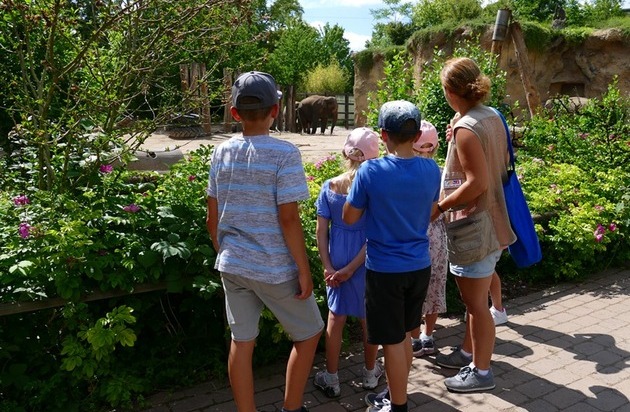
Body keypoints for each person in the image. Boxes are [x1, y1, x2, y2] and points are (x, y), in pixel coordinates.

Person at [206, 71, 324, 412]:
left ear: (234, 113)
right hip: (274, 268)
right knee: (309, 333)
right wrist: (304, 269)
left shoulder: (220, 153)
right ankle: (291, 407)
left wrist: (225, 252)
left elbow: (211, 218)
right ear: (276, 109)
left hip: (232, 264)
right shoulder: (284, 154)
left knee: (241, 342)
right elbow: (288, 219)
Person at [343, 100, 441, 412]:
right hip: (419, 266)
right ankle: (395, 393)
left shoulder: (371, 170)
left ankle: (398, 405)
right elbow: (427, 212)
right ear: (415, 136)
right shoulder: (430, 168)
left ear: (384, 135)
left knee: (392, 341)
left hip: (385, 270)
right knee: (405, 337)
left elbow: (349, 217)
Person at [432, 57, 516, 393]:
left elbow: (476, 182)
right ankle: (469, 353)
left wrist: (440, 207)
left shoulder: (468, 127)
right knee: (476, 301)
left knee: (477, 307)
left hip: (474, 227)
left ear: (451, 91)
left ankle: (481, 372)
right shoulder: (490, 115)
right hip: (495, 220)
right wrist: (458, 126)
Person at [313, 127, 384, 398]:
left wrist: (329, 266)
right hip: (365, 260)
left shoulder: (329, 186)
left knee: (335, 317)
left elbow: (321, 232)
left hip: (337, 255)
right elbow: (375, 234)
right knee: (369, 319)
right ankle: (369, 373)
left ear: (346, 153)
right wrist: (352, 269)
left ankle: (331, 378)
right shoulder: (374, 190)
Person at [409, 120, 448, 358]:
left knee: (414, 289)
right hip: (435, 236)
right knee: (434, 285)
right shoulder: (440, 171)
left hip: (412, 236)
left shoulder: (404, 172)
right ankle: (428, 335)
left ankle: (415, 338)